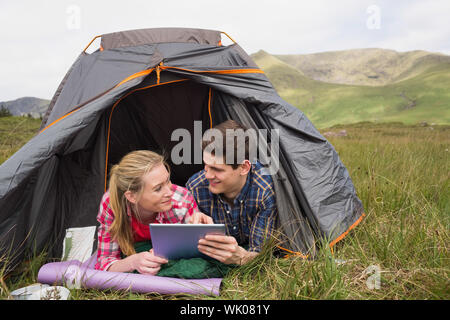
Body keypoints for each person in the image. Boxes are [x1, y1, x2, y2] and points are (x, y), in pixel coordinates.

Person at [95, 150, 211, 275]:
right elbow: (105, 261)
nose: (169, 192)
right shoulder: (111, 204)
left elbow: (196, 250)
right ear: (132, 196)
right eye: (158, 188)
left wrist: (200, 231)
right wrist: (133, 262)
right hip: (131, 251)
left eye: (168, 181)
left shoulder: (182, 200)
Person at [186, 120, 278, 265]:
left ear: (243, 167)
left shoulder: (264, 192)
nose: (208, 175)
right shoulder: (196, 187)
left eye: (217, 169)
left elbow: (261, 254)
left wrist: (243, 258)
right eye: (206, 165)